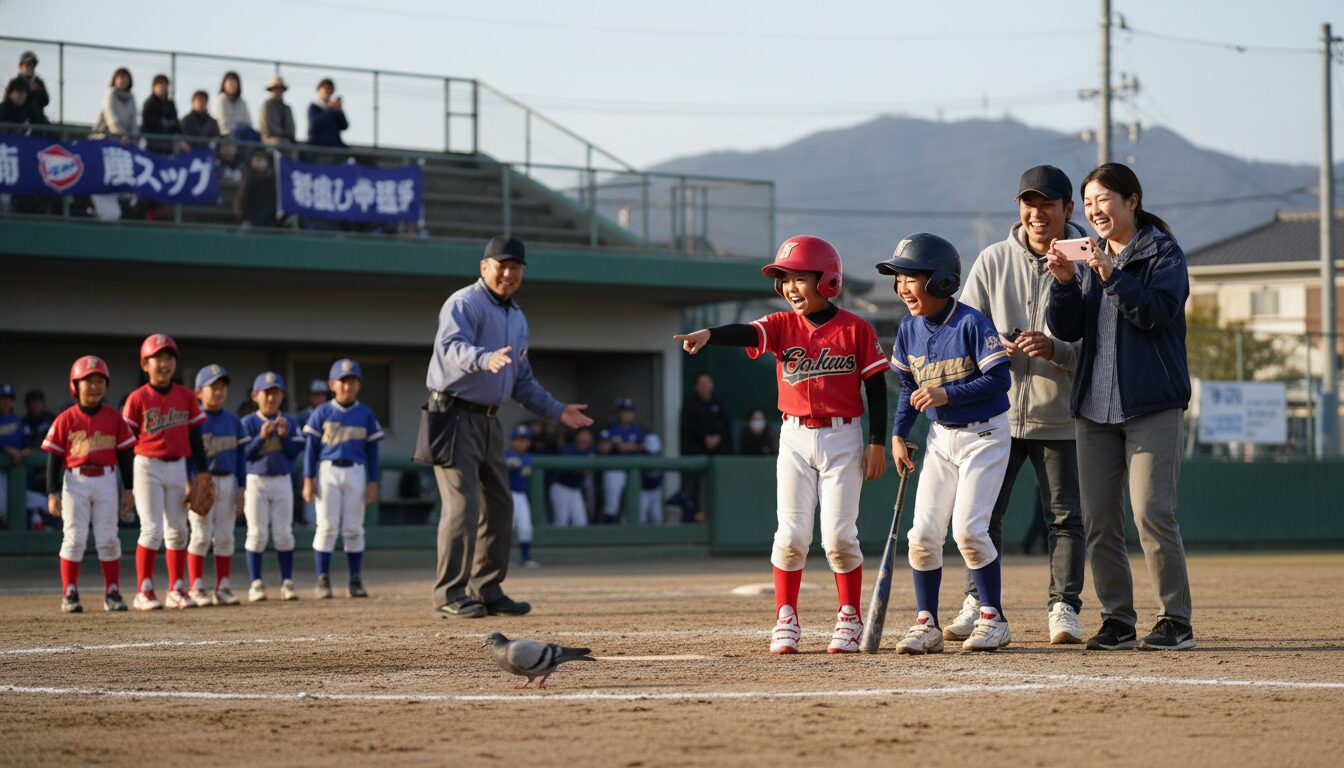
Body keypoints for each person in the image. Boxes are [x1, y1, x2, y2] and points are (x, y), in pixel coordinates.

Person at [675, 235, 888, 654]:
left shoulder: (855, 328)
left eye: (800, 279)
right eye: (784, 280)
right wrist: (710, 333)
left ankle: (849, 616)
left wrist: (878, 442)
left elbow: (878, 388)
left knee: (839, 538)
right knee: (790, 536)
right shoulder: (780, 325)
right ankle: (785, 617)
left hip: (844, 437)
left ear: (828, 281)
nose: (790, 288)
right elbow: (747, 331)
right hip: (793, 437)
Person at [1045, 162, 1196, 651]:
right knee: (1100, 519)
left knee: (1152, 512)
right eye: (1088, 204)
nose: (1094, 211)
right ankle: (1117, 620)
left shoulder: (1162, 253)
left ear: (1133, 200)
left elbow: (1155, 314)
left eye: (1104, 199)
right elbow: (1067, 330)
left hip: (1151, 405)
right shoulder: (1088, 257)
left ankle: (1175, 620)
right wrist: (1065, 282)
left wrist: (1111, 275)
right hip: (1094, 407)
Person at [949, 164, 1088, 646]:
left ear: (1069, 210)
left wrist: (1057, 350)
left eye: (1048, 203)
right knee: (982, 515)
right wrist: (993, 349)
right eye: (1029, 202)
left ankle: (1064, 608)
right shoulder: (991, 260)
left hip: (1063, 414)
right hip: (996, 415)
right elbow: (961, 334)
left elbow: (1103, 346)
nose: (1037, 212)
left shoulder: (1089, 260)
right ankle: (978, 601)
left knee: (1066, 518)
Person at [422, 235, 594, 619]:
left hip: (488, 420)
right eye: (502, 265)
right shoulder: (464, 302)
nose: (509, 272)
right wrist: (483, 359)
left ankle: (486, 589)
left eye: (516, 267)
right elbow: (449, 349)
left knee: (500, 506)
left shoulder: (516, 316)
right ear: (484, 268)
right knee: (462, 507)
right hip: (451, 415)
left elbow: (522, 381)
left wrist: (556, 410)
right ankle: (449, 593)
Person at [878, 233, 1014, 655]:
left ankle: (993, 618)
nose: (903, 287)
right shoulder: (908, 328)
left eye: (911, 277)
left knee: (969, 530)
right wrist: (898, 434)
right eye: (898, 278)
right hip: (941, 441)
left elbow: (1000, 378)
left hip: (985, 436)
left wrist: (947, 394)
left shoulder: (971, 322)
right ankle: (927, 623)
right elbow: (906, 385)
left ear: (940, 281)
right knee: (922, 536)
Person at [122, 333, 211, 611]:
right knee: (151, 530)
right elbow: (125, 443)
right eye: (157, 358)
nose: (164, 363)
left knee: (177, 530)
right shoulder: (137, 398)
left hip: (178, 466)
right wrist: (126, 483)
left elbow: (196, 437)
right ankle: (143, 590)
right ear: (144, 364)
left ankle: (176, 589)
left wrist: (203, 472)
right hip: (147, 464)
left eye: (169, 357)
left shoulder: (185, 395)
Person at [42, 357, 137, 613]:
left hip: (107, 479)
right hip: (75, 481)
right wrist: (52, 492)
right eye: (88, 381)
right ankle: (70, 592)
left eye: (99, 381)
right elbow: (54, 458)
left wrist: (129, 489)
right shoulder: (66, 418)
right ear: (76, 385)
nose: (94, 387)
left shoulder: (115, 418)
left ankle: (112, 592)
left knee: (108, 538)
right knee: (74, 537)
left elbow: (126, 456)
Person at [301, 358, 383, 600]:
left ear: (358, 385)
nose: (347, 386)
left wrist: (373, 481)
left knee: (353, 528)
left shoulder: (366, 413)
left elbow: (373, 452)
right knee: (326, 526)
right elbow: (310, 449)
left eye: (352, 381)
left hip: (357, 471)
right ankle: (323, 579)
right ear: (332, 384)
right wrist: (308, 478)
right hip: (328, 470)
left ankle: (354, 579)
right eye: (342, 381)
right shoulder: (322, 411)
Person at [185, 365, 248, 608]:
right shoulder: (195, 421)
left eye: (222, 387)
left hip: (228, 480)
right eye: (213, 387)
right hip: (203, 480)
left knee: (224, 536)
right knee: (200, 535)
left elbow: (241, 458)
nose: (219, 392)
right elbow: (188, 457)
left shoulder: (233, 420)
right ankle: (197, 586)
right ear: (199, 392)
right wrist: (189, 483)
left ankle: (222, 586)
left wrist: (241, 488)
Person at [241, 371, 304, 602]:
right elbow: (244, 455)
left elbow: (294, 452)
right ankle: (256, 583)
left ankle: (287, 582)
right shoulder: (248, 422)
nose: (271, 398)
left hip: (282, 480)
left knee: (284, 534)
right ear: (255, 396)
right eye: (266, 393)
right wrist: (260, 437)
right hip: (256, 480)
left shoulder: (289, 421)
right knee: (257, 534)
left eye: (275, 393)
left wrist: (284, 435)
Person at [679, 372, 731, 519]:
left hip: (717, 458)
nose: (705, 387)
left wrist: (717, 438)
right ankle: (691, 523)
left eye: (707, 383)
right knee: (692, 494)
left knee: (716, 493)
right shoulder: (690, 405)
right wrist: (705, 438)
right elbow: (689, 428)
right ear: (696, 386)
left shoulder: (718, 403)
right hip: (695, 457)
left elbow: (725, 425)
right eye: (701, 384)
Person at [504, 423, 539, 567]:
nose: (521, 442)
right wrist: (506, 464)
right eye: (518, 439)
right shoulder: (506, 454)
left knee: (525, 527)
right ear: (513, 441)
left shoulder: (529, 458)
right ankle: (501, 560)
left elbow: (528, 469)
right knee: (506, 528)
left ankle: (525, 557)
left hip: (521, 496)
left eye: (524, 440)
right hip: (507, 495)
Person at [549, 428, 594, 527]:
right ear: (577, 436)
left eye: (587, 434)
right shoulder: (568, 449)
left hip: (576, 489)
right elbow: (572, 469)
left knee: (581, 522)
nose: (585, 437)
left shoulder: (591, 450)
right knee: (561, 521)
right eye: (582, 434)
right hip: (561, 487)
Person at [234, 151, 281, 228]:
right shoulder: (248, 178)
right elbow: (241, 197)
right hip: (250, 218)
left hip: (269, 220)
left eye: (261, 160)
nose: (259, 163)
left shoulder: (272, 179)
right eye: (257, 160)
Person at [91, 67, 137, 141]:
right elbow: (111, 118)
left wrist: (134, 138)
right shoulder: (110, 93)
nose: (123, 80)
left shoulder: (131, 97)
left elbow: (133, 122)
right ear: (114, 80)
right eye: (120, 77)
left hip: (125, 139)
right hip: (104, 136)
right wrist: (122, 135)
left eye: (126, 78)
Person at [0, 383, 23, 528]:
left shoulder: (19, 421)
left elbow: (31, 443)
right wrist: (6, 448)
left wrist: (25, 451)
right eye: (3, 398)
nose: (6, 402)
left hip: (17, 468)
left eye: (9, 399)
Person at [140, 74, 181, 154]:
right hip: (152, 143)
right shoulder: (149, 103)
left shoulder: (170, 104)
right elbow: (148, 121)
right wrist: (162, 122)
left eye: (164, 85)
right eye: (159, 86)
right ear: (154, 87)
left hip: (168, 143)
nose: (162, 88)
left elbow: (175, 123)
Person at [307, 77, 348, 148]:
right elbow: (314, 124)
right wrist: (330, 110)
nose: (329, 92)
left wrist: (339, 111)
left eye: (331, 90)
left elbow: (344, 126)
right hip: (318, 145)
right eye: (326, 89)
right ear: (319, 90)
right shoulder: (314, 107)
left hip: (334, 145)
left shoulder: (334, 109)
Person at [259, 75, 295, 145]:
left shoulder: (287, 108)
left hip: (285, 141)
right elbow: (267, 127)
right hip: (269, 140)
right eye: (275, 88)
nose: (278, 91)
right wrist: (282, 134)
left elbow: (291, 129)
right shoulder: (267, 105)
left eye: (280, 88)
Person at [15, 51, 50, 125]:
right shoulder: (16, 82)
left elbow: (46, 100)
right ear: (21, 66)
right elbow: (10, 101)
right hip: (19, 117)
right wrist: (27, 90)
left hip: (36, 119)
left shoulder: (38, 82)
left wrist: (37, 91)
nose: (30, 66)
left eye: (32, 64)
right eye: (27, 64)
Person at [639, 433, 665, 526]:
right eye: (650, 453)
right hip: (642, 491)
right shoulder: (640, 457)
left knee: (657, 518)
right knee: (640, 519)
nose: (653, 455)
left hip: (656, 490)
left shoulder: (660, 457)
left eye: (656, 453)